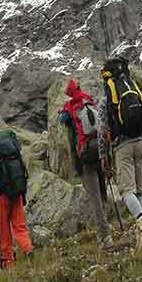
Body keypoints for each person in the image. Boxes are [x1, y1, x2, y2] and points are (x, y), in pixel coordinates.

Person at [98, 57, 142, 252]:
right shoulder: (134, 89)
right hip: (141, 142)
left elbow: (102, 130)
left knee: (125, 191)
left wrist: (104, 158)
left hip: (122, 145)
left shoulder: (107, 98)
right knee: (139, 190)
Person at [58, 79, 113, 251]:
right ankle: (107, 226)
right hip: (100, 151)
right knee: (102, 194)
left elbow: (62, 121)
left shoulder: (69, 108)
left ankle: (104, 237)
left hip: (85, 157)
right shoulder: (89, 100)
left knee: (94, 197)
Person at [0, 130, 33, 269]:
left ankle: (8, 261)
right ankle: (28, 248)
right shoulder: (14, 152)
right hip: (17, 193)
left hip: (2, 197)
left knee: (4, 230)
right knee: (20, 225)